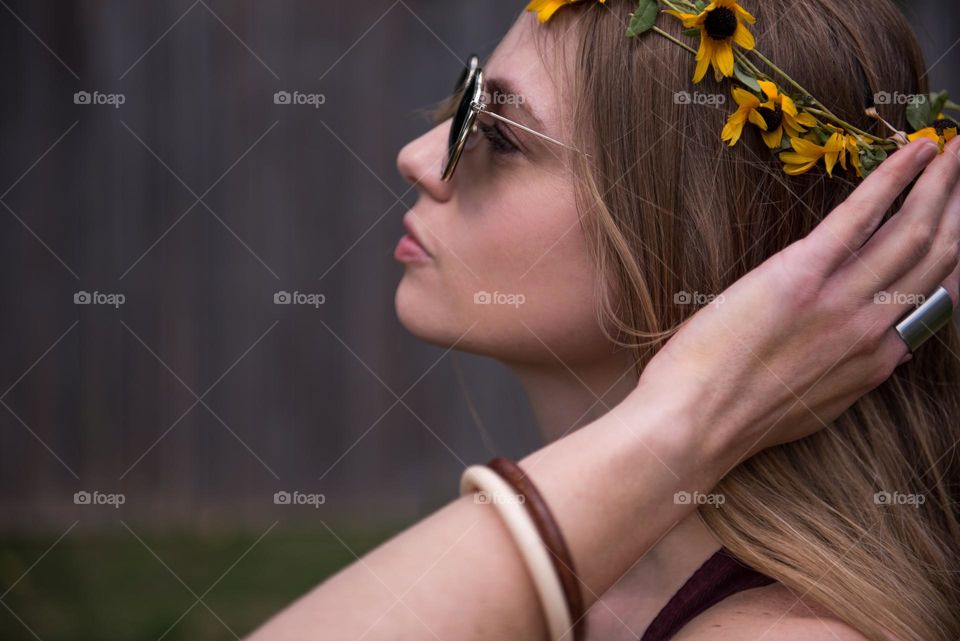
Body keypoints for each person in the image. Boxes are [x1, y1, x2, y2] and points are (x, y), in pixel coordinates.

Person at [248, 1, 960, 639]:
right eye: (465, 101)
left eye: (498, 135)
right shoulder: (604, 589)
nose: (420, 157)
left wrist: (683, 418)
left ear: (690, 238)